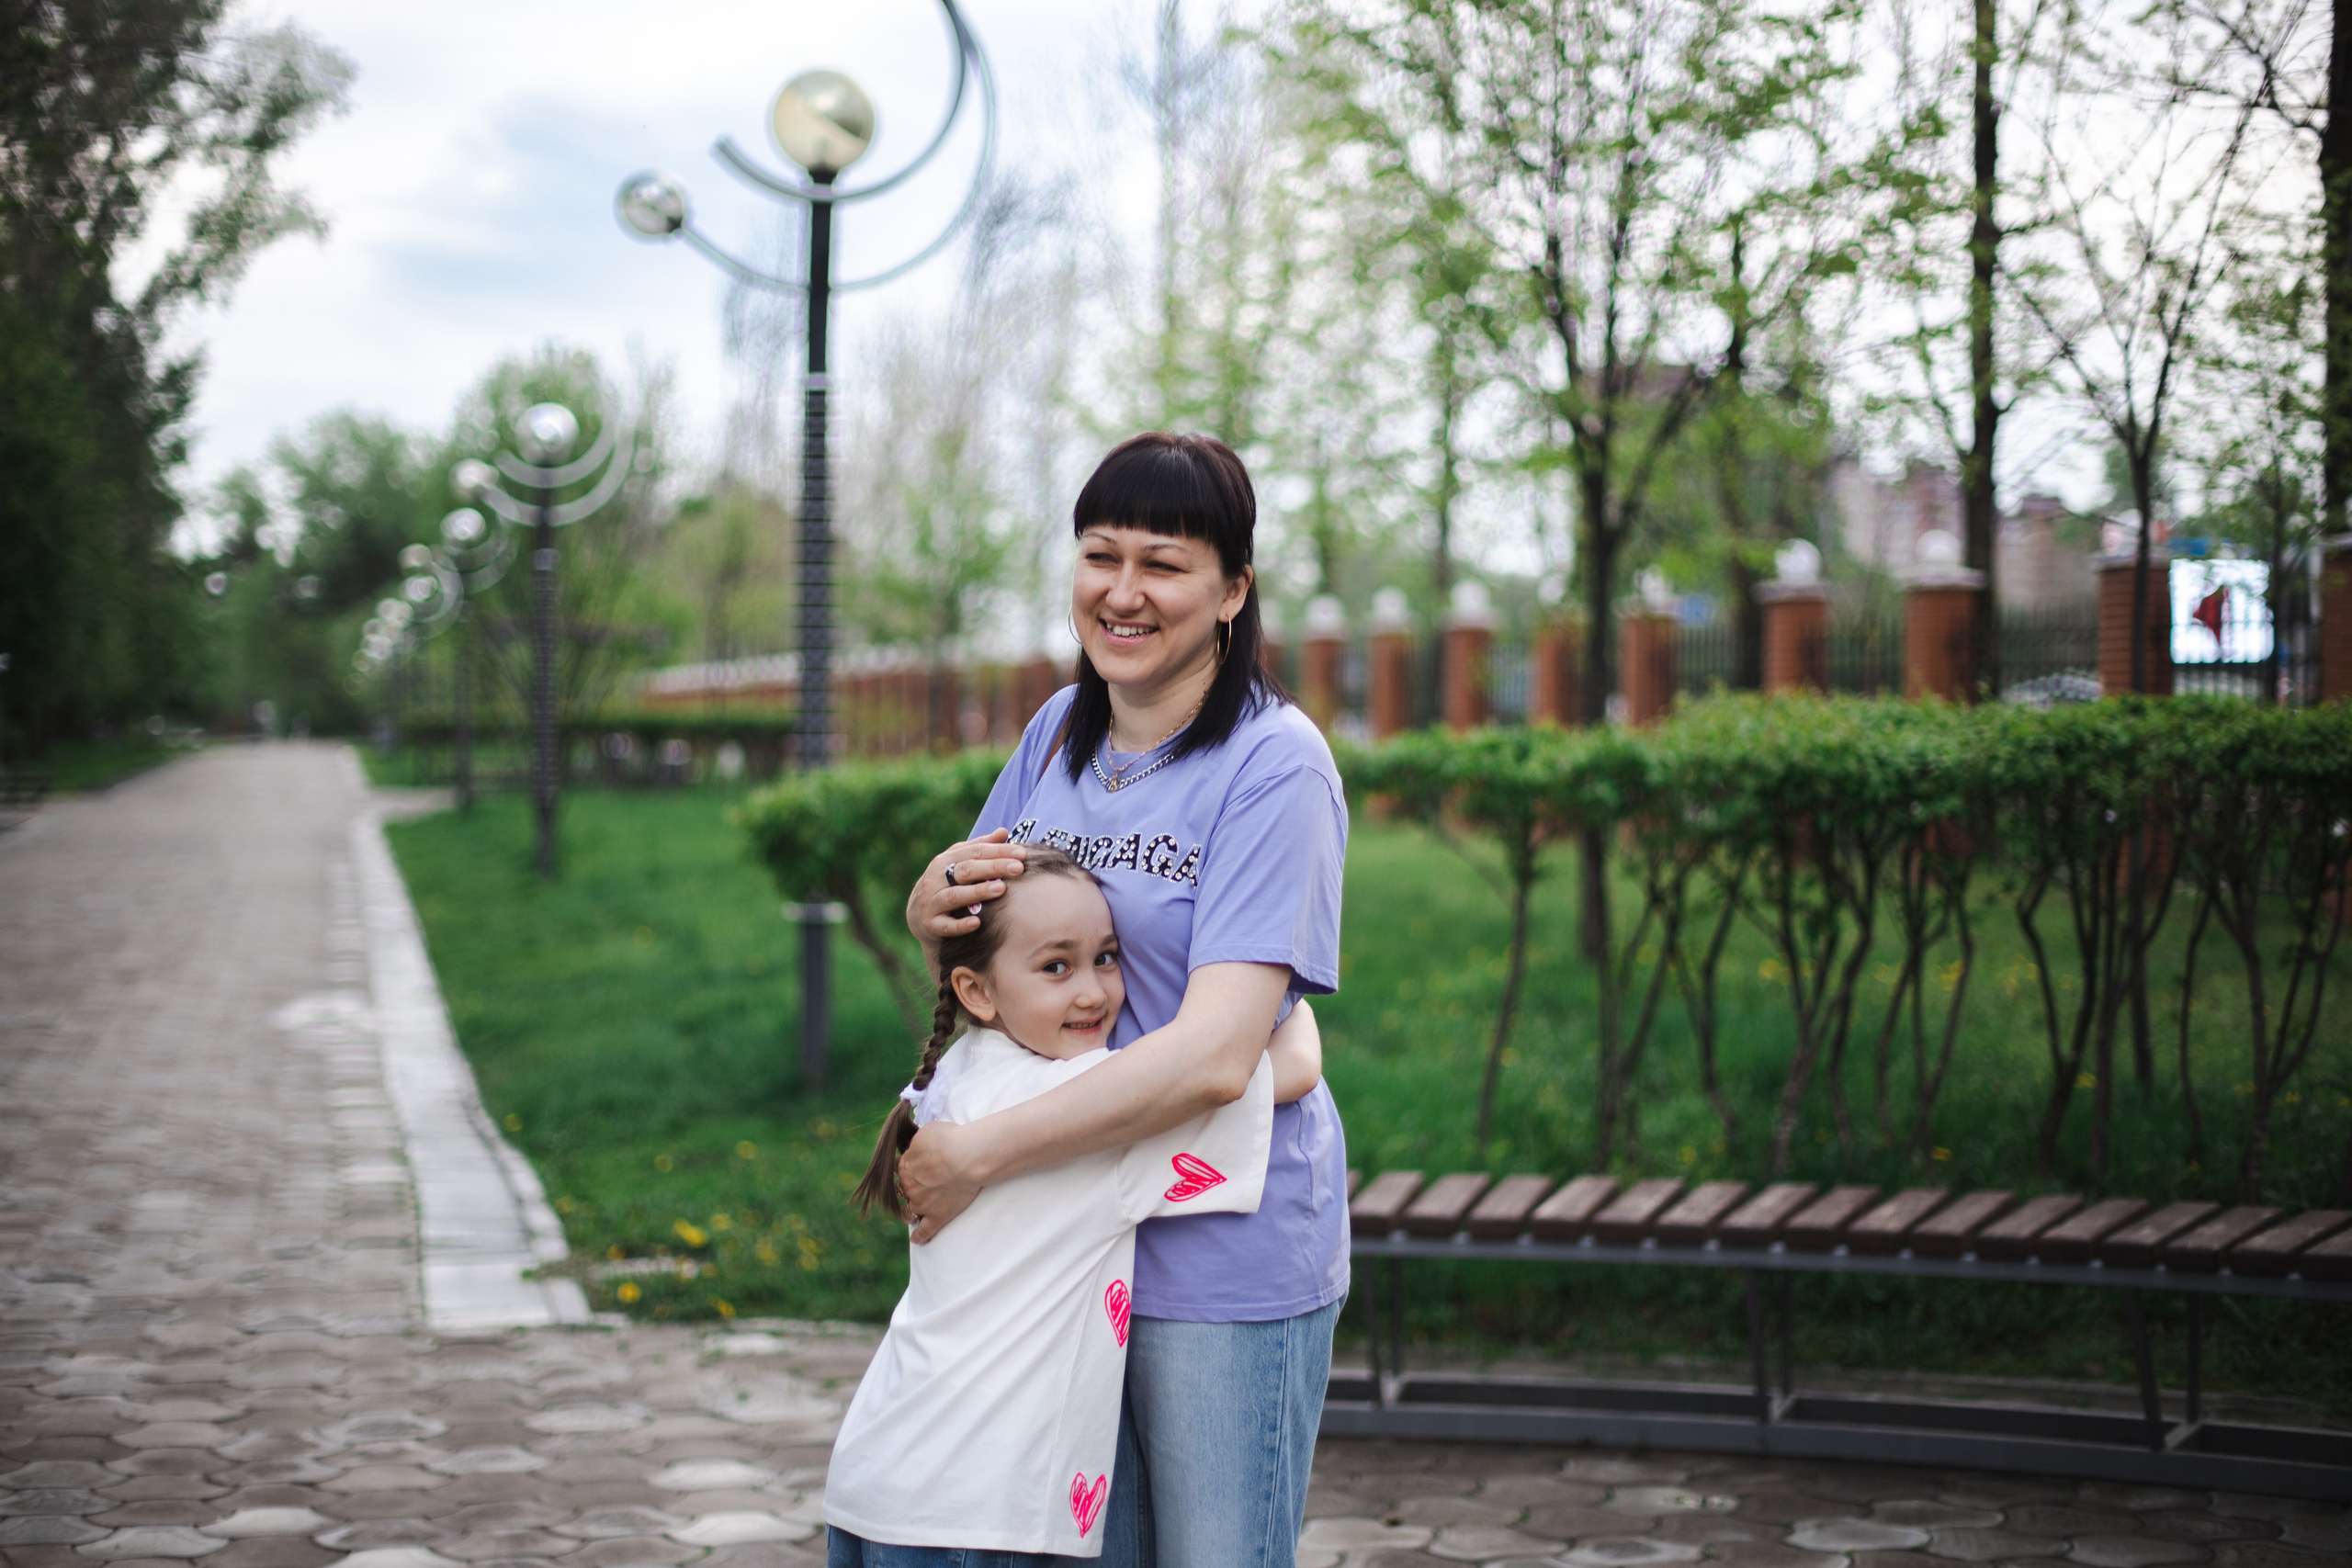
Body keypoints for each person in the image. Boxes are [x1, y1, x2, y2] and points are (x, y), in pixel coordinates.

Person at [899, 433, 1350, 1568]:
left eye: (1164, 562)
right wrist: (925, 906)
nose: (1123, 591)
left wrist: (984, 1151)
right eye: (1100, 555)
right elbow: (990, 943)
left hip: (1215, 1247)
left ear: (1232, 592)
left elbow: (1211, 1057)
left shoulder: (1273, 766)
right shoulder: (1058, 731)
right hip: (1066, 1235)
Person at [824, 847, 1322, 1565]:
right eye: (1057, 966)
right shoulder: (1089, 1116)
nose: (1093, 993)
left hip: (881, 1476)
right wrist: (1274, 984)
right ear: (976, 989)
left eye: (1108, 957)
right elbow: (1290, 1066)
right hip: (983, 1513)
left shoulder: (952, 1076)